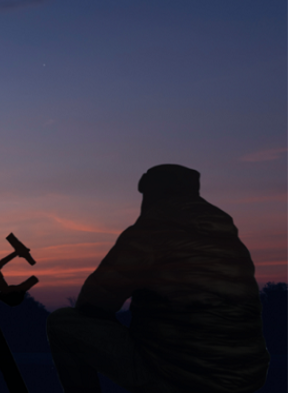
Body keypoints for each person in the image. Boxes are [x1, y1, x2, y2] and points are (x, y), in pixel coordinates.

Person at [46, 164, 269, 393]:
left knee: (63, 323)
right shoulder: (228, 239)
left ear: (150, 191)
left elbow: (92, 302)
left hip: (182, 378)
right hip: (244, 378)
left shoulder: (150, 231)